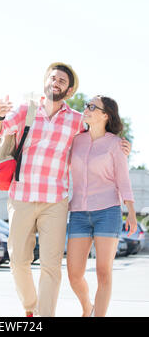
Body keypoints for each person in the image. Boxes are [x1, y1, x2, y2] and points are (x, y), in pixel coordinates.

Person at [0, 62, 131, 317]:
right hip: (21, 196)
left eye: (62, 81)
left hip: (56, 201)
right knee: (19, 261)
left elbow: (101, 133)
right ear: (45, 81)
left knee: (51, 266)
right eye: (53, 78)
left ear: (70, 89)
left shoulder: (77, 121)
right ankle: (31, 307)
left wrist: (122, 145)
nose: (56, 82)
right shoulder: (26, 111)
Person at [66, 95, 137, 317]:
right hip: (78, 212)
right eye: (86, 105)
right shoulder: (76, 140)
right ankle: (87, 306)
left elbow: (123, 180)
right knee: (74, 273)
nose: (85, 109)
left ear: (105, 115)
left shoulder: (116, 145)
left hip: (108, 211)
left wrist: (131, 212)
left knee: (103, 271)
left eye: (91, 106)